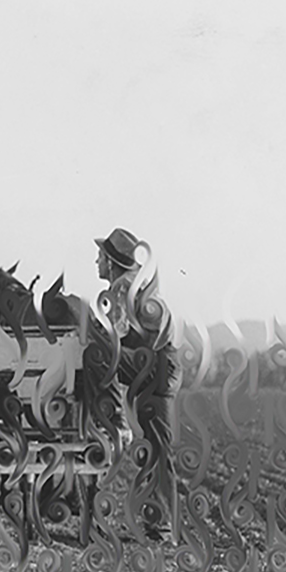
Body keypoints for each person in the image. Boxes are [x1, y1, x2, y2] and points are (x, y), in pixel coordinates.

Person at [92, 227, 177, 540]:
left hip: (153, 368)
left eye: (100, 256)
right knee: (157, 447)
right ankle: (160, 524)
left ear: (112, 263)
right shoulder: (133, 284)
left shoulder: (121, 286)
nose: (96, 261)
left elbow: (114, 340)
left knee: (96, 354)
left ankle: (112, 420)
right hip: (157, 366)